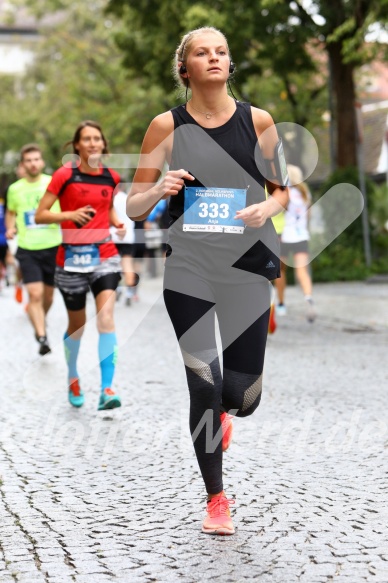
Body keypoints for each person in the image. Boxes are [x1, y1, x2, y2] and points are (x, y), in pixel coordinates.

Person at [127, 27, 288, 535]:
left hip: (246, 267)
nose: (213, 57)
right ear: (185, 68)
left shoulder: (258, 121)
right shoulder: (165, 127)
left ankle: (223, 413)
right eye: (202, 52)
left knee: (242, 397)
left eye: (220, 51)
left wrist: (268, 205)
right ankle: (216, 499)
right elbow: (132, 207)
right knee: (204, 383)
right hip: (189, 266)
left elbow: (284, 191)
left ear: (228, 65)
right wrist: (159, 187)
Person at [35, 120, 125, 410]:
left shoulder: (111, 176)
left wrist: (117, 223)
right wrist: (69, 215)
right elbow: (41, 215)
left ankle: (107, 388)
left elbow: (107, 207)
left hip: (105, 255)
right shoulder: (64, 175)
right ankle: (73, 376)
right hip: (71, 257)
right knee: (77, 325)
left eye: (96, 138)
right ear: (77, 145)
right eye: (86, 139)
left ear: (103, 144)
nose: (92, 143)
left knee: (106, 317)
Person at [5, 144, 62, 354]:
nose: (33, 163)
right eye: (28, 160)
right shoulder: (15, 189)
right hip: (27, 248)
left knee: (48, 298)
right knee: (35, 294)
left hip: (53, 246)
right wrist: (10, 228)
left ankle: (39, 319)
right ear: (23, 164)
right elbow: (11, 212)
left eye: (36, 159)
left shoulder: (53, 183)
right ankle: (42, 336)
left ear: (42, 162)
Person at [277, 164, 316, 322]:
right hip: (301, 236)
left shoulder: (284, 192)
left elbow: (278, 212)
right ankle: (308, 298)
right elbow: (308, 217)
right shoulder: (305, 193)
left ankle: (281, 304)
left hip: (285, 236)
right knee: (302, 271)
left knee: (281, 272)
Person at [110, 189, 138, 306]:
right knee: (127, 265)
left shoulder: (112, 200)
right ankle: (130, 293)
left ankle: (118, 289)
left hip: (114, 235)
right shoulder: (127, 198)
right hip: (128, 236)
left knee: (113, 265)